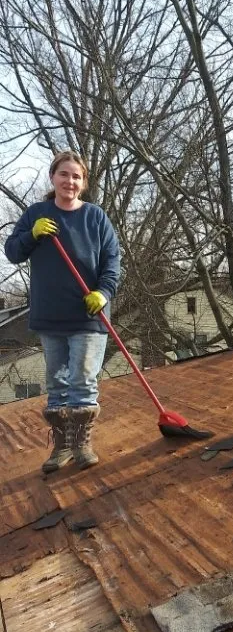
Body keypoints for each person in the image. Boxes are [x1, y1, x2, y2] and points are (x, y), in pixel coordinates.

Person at [5, 150, 120, 472]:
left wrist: (103, 292)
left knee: (82, 380)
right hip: (49, 313)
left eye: (76, 176)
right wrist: (32, 234)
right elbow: (13, 252)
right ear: (53, 177)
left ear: (83, 183)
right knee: (56, 383)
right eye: (64, 174)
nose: (70, 181)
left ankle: (82, 445)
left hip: (88, 315)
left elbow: (112, 259)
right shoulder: (36, 214)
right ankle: (62, 448)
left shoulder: (95, 217)